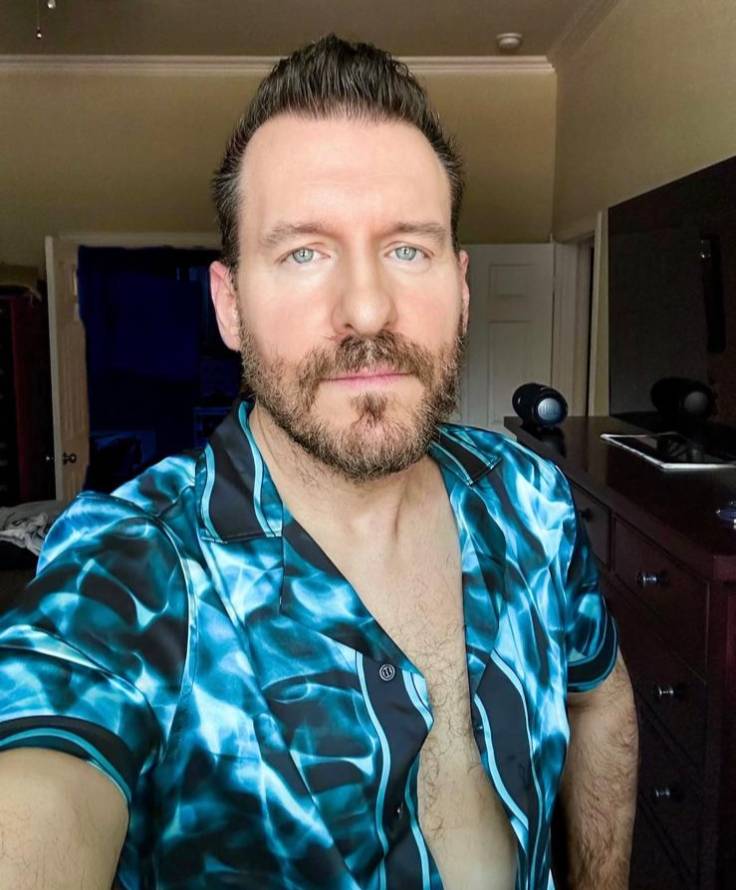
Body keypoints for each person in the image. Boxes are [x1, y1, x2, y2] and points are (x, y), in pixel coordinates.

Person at [0, 35, 637, 890]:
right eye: (304, 252)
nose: (366, 309)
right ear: (230, 305)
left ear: (461, 288)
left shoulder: (532, 498)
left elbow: (601, 697)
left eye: (408, 249)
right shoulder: (135, 574)